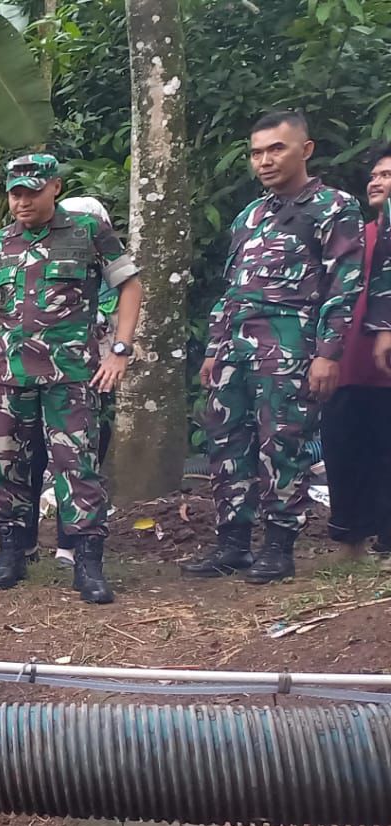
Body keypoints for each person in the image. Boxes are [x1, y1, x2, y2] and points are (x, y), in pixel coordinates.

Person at [185, 111, 365, 584]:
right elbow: (232, 287)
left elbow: (344, 285)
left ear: (305, 150)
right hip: (235, 348)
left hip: (291, 345)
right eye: (256, 152)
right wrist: (213, 347)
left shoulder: (334, 207)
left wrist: (328, 353)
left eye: (276, 149)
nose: (264, 161)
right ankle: (232, 544)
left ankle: (279, 546)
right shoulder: (251, 215)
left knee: (283, 444)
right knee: (226, 441)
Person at [0, 153, 143, 605]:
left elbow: (129, 285)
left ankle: (87, 561)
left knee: (76, 466)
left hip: (70, 374)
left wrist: (120, 349)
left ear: (55, 189)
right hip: (10, 375)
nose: (22, 201)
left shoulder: (88, 233)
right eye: (15, 192)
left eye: (31, 191)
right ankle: (11, 550)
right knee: (4, 462)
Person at [23, 196, 122, 567]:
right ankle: (26, 540)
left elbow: (123, 310)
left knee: (79, 460)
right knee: (29, 455)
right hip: (38, 374)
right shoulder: (40, 261)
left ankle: (72, 543)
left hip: (90, 377)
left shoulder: (110, 270)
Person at [320, 145, 391, 559]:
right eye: (375, 175)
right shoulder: (354, 236)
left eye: (388, 174)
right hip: (350, 363)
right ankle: (351, 544)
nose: (378, 181)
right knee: (346, 450)